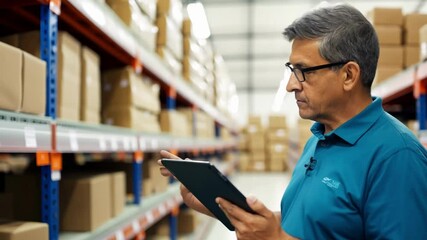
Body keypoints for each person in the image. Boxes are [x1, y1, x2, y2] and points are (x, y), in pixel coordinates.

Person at [159, 3, 427, 239]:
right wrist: (218, 204)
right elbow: (300, 224)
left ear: (348, 75)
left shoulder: (397, 157)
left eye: (303, 72)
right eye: (291, 70)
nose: (290, 86)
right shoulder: (318, 140)